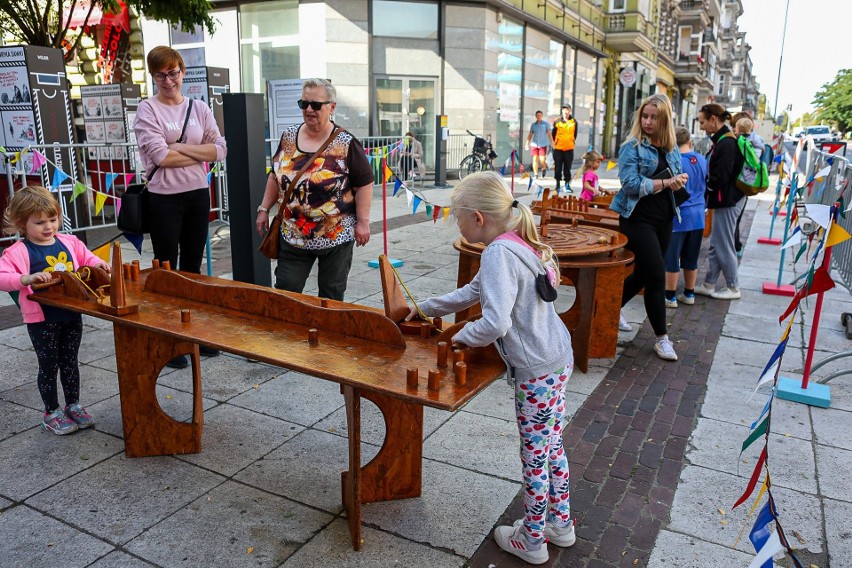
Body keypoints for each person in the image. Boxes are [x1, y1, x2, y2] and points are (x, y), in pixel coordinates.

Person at [406, 171, 574, 565]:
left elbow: (495, 322)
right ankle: (560, 524)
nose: (457, 225)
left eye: (459, 218)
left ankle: (533, 539)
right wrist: (427, 306)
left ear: (477, 218)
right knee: (551, 446)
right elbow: (472, 292)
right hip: (556, 358)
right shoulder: (515, 242)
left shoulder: (498, 252)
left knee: (534, 454)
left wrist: (459, 338)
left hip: (536, 371)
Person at [134, 47, 227, 368]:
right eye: (161, 74)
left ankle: (193, 334)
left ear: (183, 72)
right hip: (163, 199)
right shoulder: (147, 110)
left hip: (197, 196)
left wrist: (180, 147)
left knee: (192, 269)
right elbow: (161, 157)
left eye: (173, 72)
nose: (169, 79)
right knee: (165, 270)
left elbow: (220, 150)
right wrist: (198, 151)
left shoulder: (199, 107)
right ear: (153, 77)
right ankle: (167, 336)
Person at [0, 186, 111, 435]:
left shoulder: (69, 242)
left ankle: (74, 405)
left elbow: (88, 259)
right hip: (42, 319)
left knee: (70, 362)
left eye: (53, 219)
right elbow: (2, 276)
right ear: (21, 223)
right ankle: (51, 412)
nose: (48, 226)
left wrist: (99, 264)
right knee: (48, 366)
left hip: (72, 314)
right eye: (40, 222)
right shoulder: (18, 251)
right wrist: (25, 279)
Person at [256, 78, 374, 301]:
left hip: (335, 237)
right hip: (294, 235)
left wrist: (363, 222)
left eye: (316, 105)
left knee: (330, 296)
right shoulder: (289, 137)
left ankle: (326, 334)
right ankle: (289, 335)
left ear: (332, 107)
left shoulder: (346, 142)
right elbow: (275, 174)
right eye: (304, 104)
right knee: (286, 292)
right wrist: (264, 209)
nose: (309, 110)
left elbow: (364, 183)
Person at [611, 94, 688, 361]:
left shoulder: (671, 147)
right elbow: (630, 184)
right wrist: (666, 183)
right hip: (636, 217)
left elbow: (672, 177)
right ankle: (662, 338)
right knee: (657, 275)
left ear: (665, 119)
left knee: (644, 274)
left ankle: (608, 310)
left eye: (654, 117)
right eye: (645, 116)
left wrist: (679, 181)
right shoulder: (632, 147)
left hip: (664, 218)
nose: (648, 121)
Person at [694, 103, 745, 301]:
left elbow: (719, 178)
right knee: (717, 242)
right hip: (728, 199)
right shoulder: (724, 140)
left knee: (723, 244)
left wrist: (705, 190)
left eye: (702, 122)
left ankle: (733, 286)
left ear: (713, 120)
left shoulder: (726, 143)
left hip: (728, 201)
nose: (701, 127)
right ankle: (709, 283)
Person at [664, 127, 707, 308]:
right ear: (689, 141)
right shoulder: (703, 159)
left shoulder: (675, 162)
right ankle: (689, 293)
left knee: (672, 258)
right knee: (691, 257)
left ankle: (670, 296)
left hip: (679, 215)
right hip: (698, 215)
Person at [732, 116, 764, 258]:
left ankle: (735, 245)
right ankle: (736, 246)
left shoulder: (738, 142)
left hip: (737, 182)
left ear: (737, 129)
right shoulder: (758, 143)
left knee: (733, 219)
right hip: (749, 183)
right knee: (738, 216)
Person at [552, 105, 578, 193]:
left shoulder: (574, 121)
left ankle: (567, 185)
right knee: (558, 168)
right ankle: (557, 185)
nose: (566, 111)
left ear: (570, 110)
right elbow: (553, 134)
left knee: (567, 167)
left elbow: (575, 135)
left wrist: (571, 142)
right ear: (562, 111)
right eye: (564, 110)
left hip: (569, 149)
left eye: (567, 110)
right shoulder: (557, 121)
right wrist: (555, 144)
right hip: (558, 149)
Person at [525, 110, 553, 179]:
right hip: (534, 145)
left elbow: (549, 134)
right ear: (536, 116)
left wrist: (552, 142)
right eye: (537, 115)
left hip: (542, 145)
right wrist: (527, 144)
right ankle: (536, 175)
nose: (539, 117)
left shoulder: (546, 124)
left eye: (540, 115)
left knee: (542, 160)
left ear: (542, 116)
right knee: (535, 160)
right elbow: (530, 135)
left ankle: (543, 168)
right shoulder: (533, 125)